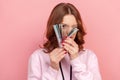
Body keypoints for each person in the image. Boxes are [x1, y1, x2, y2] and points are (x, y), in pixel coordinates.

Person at [28, 2, 102, 80]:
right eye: (64, 26)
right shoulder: (37, 57)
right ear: (54, 28)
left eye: (74, 27)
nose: (69, 32)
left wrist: (76, 60)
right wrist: (53, 69)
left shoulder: (89, 56)